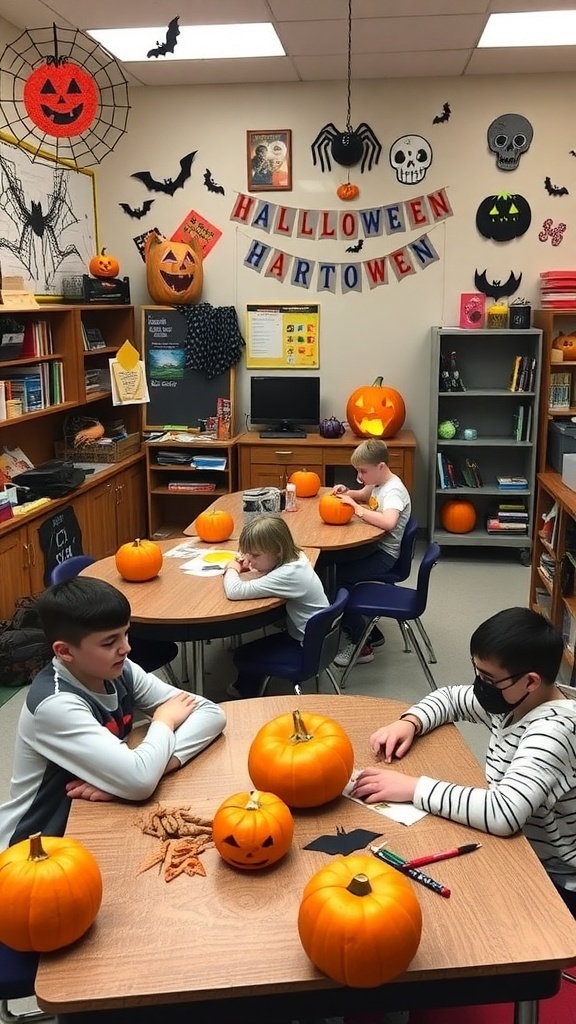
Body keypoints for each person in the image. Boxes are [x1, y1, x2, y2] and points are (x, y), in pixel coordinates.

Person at [351, 606, 576, 915]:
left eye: (488, 678)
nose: (479, 685)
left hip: (555, 877)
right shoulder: (514, 700)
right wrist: (410, 722)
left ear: (531, 681)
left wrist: (412, 788)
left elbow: (504, 813)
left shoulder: (552, 734)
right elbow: (451, 698)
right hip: (524, 848)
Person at [0, 576, 226, 850]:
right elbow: (140, 782)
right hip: (37, 844)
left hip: (92, 821)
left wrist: (152, 769)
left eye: (125, 633)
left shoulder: (120, 669)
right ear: (65, 651)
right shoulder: (55, 704)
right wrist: (164, 721)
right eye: (109, 642)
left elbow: (210, 713)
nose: (126, 648)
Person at [223, 514, 329, 698]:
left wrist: (232, 567)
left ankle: (245, 694)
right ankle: (248, 685)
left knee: (242, 655)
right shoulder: (296, 557)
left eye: (255, 555)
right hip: (317, 639)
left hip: (305, 647)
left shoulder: (289, 574)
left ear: (277, 550)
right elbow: (272, 570)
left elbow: (235, 590)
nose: (250, 560)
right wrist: (256, 563)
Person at [331, 437, 411, 667]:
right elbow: (365, 495)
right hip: (374, 547)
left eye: (362, 472)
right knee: (330, 563)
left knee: (337, 578)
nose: (359, 477)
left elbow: (388, 521)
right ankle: (371, 634)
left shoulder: (393, 491)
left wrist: (356, 510)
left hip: (384, 556)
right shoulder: (378, 483)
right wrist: (348, 492)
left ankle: (361, 644)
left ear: (381, 467)